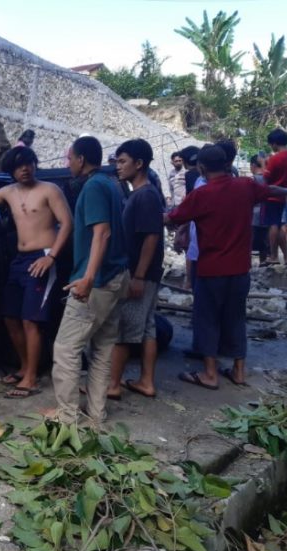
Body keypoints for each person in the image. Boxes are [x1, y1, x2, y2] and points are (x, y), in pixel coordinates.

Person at [166, 146, 287, 389]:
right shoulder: (246, 186)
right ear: (228, 164)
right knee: (236, 319)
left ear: (202, 168)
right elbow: (269, 189)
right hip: (240, 270)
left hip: (211, 269)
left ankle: (210, 374)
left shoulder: (202, 194)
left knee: (207, 319)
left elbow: (172, 217)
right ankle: (239, 370)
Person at [0, 147, 73, 398]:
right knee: (10, 317)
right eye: (18, 166)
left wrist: (51, 257)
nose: (25, 169)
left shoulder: (50, 190)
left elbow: (67, 223)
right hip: (19, 259)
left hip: (42, 257)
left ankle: (31, 378)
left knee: (30, 319)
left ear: (35, 164)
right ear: (11, 170)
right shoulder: (7, 192)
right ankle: (25, 366)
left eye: (28, 163)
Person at [44, 136, 129, 425]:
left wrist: (88, 278)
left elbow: (102, 233)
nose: (67, 164)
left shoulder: (93, 187)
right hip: (117, 277)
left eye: (69, 158)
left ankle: (67, 417)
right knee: (103, 348)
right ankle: (96, 413)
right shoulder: (111, 183)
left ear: (81, 159)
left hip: (98, 282)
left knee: (66, 349)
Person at [107, 139, 164, 400]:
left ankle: (112, 385)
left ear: (139, 164)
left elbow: (151, 237)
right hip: (147, 273)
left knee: (123, 329)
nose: (118, 167)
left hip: (141, 273)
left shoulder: (145, 195)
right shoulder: (139, 194)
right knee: (147, 328)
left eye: (122, 161)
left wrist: (138, 276)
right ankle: (146, 382)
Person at [262, 128, 287, 265]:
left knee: (273, 225)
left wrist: (263, 164)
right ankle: (286, 257)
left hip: (272, 195)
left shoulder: (274, 159)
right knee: (280, 225)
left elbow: (266, 178)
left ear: (274, 143)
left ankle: (273, 256)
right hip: (284, 195)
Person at [250, 155, 269, 266]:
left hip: (253, 216)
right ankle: (263, 264)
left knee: (248, 243)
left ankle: (248, 266)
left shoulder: (253, 179)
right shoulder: (269, 178)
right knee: (264, 244)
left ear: (252, 166)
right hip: (266, 215)